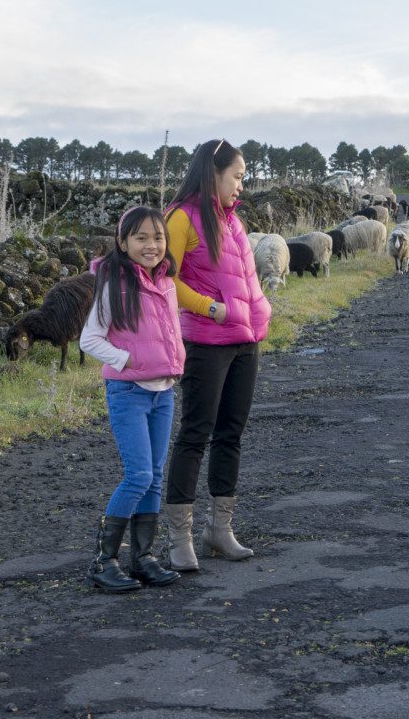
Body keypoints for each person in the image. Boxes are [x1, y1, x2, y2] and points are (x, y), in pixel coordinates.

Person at [162, 139, 271, 571]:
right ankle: (179, 537)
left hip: (246, 341)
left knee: (231, 434)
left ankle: (219, 529)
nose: (240, 186)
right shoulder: (181, 218)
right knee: (195, 434)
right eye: (238, 176)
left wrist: (261, 311)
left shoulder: (235, 222)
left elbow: (246, 279)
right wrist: (211, 307)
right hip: (206, 342)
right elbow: (164, 279)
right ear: (213, 173)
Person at [79, 205, 186, 593]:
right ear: (122, 243)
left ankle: (142, 558)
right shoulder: (114, 284)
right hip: (128, 392)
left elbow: (170, 333)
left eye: (158, 237)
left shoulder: (168, 284)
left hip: (163, 392)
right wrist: (128, 360)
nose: (151, 245)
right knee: (139, 474)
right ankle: (103, 561)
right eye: (140, 237)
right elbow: (90, 338)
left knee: (155, 477)